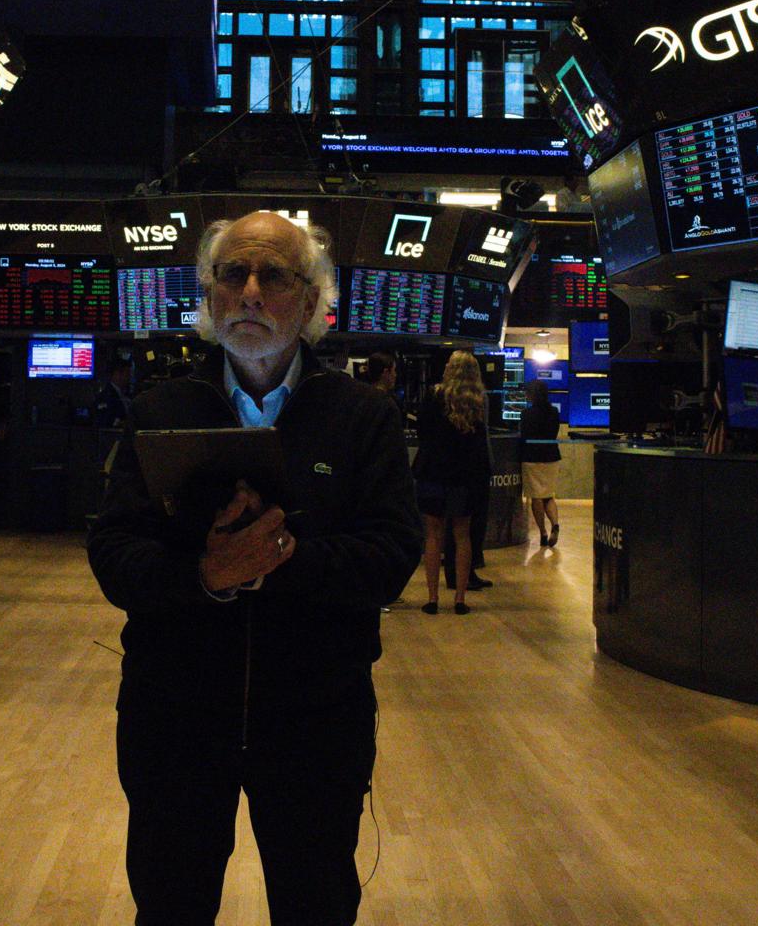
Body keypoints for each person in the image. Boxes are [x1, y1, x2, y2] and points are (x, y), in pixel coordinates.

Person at [88, 210, 422, 926]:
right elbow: (115, 556)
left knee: (316, 906)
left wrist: (283, 558)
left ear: (310, 301)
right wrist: (204, 576)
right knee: (171, 907)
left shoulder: (363, 417)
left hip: (315, 724)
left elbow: (392, 556)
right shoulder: (159, 410)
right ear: (209, 298)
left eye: (273, 274)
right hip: (173, 719)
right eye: (230, 274)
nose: (249, 291)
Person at [411, 349, 491, 615]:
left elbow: (422, 432)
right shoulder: (477, 400)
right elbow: (479, 443)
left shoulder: (434, 396)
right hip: (464, 478)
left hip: (433, 473)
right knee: (462, 535)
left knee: (433, 535)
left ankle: (432, 598)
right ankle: (459, 598)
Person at [519, 379, 563, 548]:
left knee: (536, 497)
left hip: (531, 459)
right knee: (548, 495)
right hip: (552, 457)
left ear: (532, 394)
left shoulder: (526, 414)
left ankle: (543, 533)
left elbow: (523, 436)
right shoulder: (553, 412)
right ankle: (555, 525)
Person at [94, 356, 133, 432]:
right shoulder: (105, 396)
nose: (129, 377)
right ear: (117, 374)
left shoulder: (124, 395)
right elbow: (104, 422)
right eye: (127, 374)